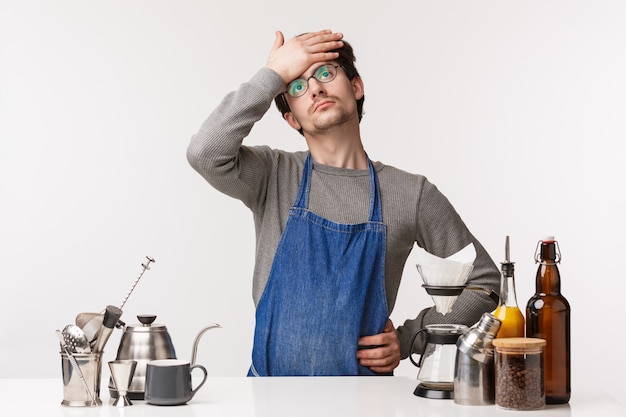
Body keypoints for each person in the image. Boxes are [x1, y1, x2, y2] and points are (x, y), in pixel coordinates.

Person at [187, 30, 500, 376]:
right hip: (271, 399)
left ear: (356, 87)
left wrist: (413, 337)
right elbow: (205, 153)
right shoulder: (272, 175)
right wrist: (273, 73)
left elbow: (485, 283)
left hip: (365, 401)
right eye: (297, 86)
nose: (316, 89)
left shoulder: (410, 193)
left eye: (325, 73)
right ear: (291, 118)